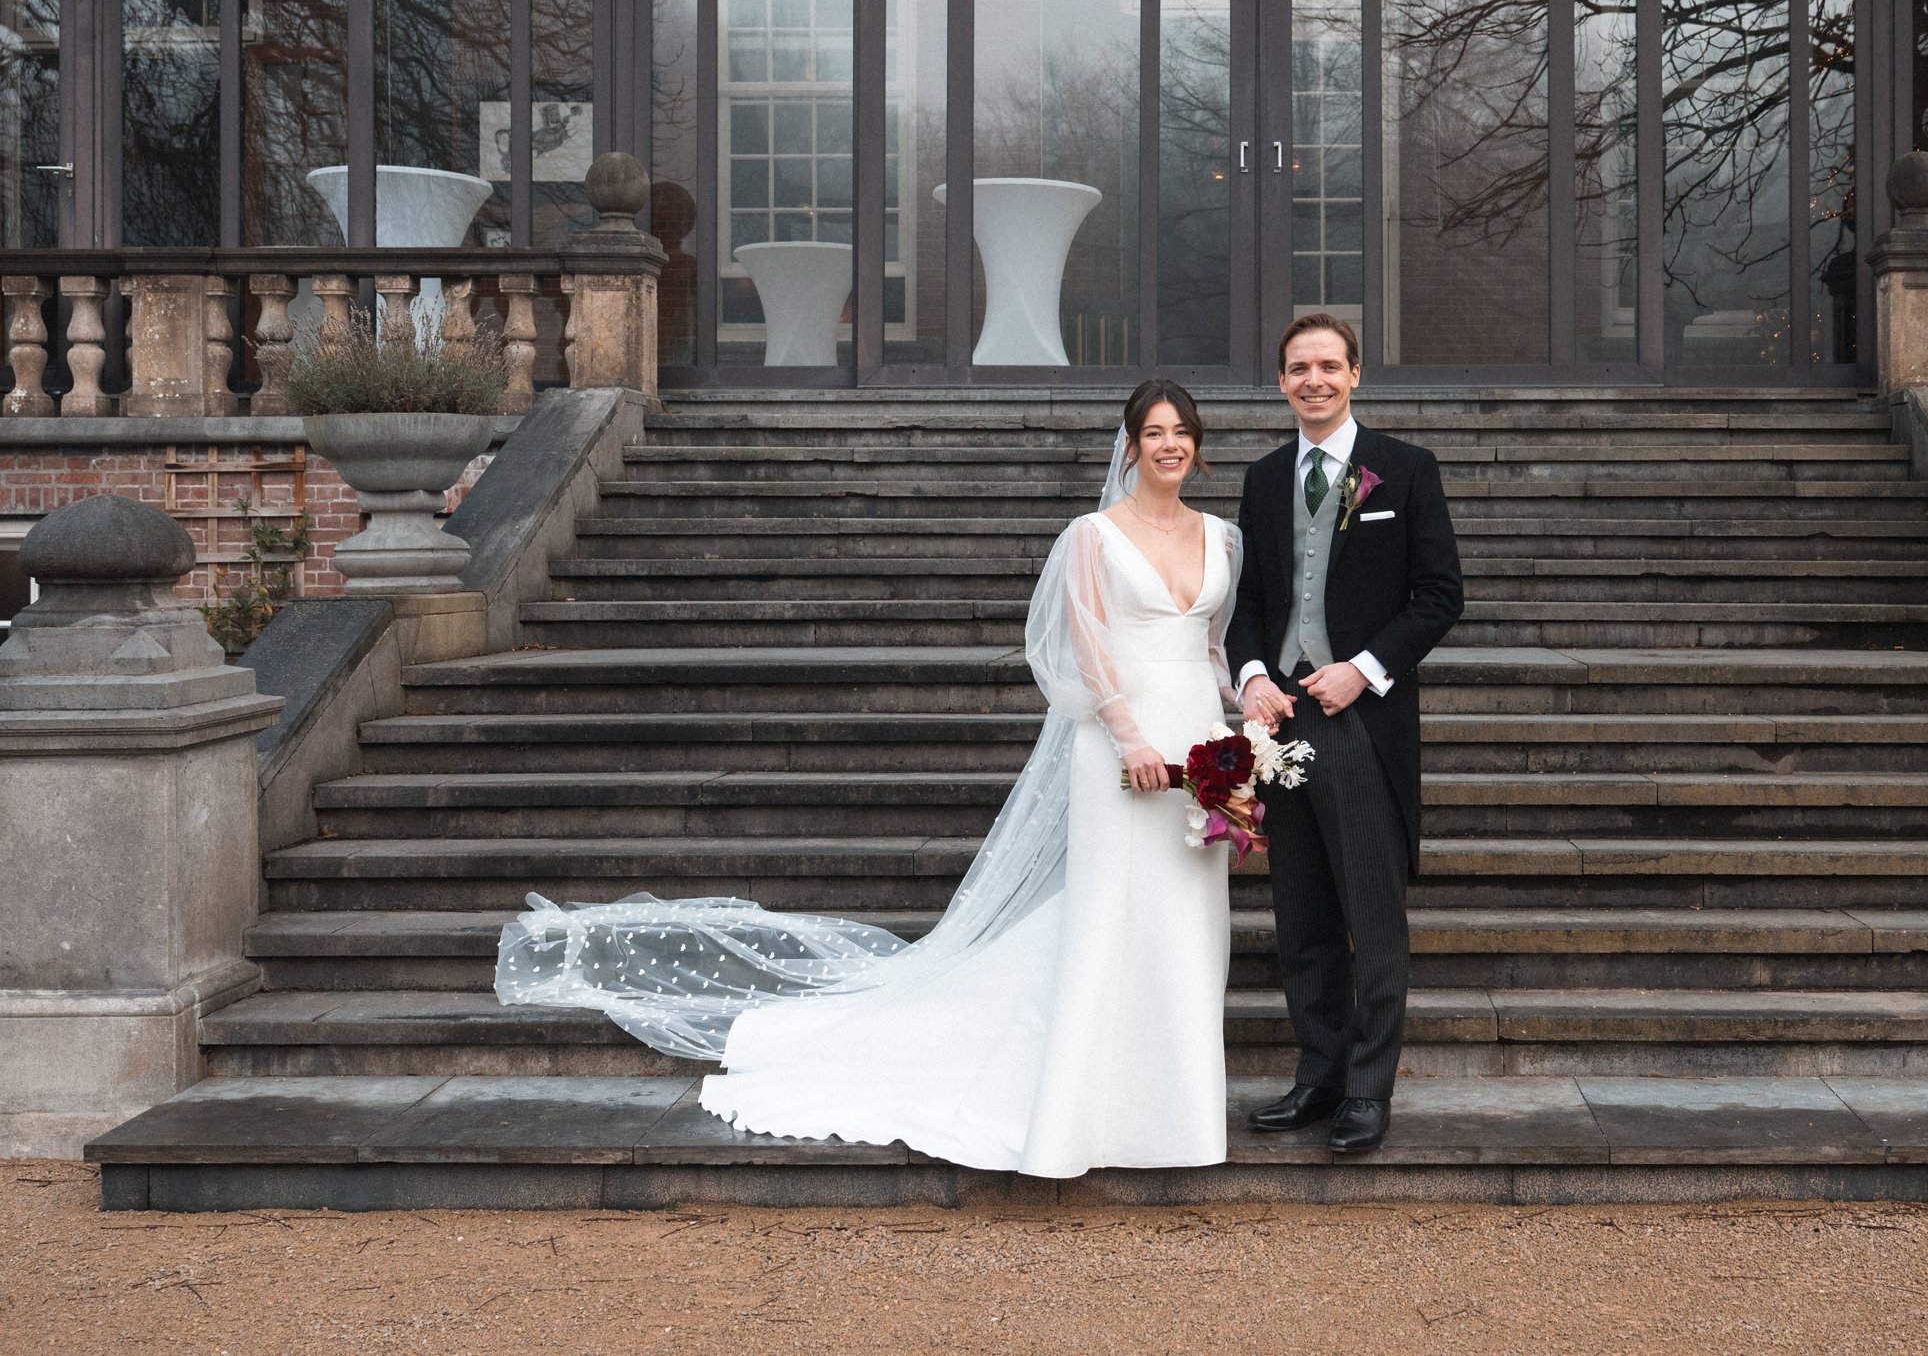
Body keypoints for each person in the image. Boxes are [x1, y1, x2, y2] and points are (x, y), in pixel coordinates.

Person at [496, 381, 1243, 1178]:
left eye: (1182, 432)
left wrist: (1243, 721)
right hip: (1121, 748)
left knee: (1187, 919)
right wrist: (1129, 737)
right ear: (1129, 445)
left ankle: (1174, 1111)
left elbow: (1211, 645)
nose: (1169, 444)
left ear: (1197, 445)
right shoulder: (1093, 536)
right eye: (1154, 432)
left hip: (1201, 744)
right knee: (1109, 914)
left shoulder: (1222, 538)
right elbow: (1084, 649)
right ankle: (1082, 1116)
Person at [1227, 312, 1465, 1154]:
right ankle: (1318, 1072)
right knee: (1302, 916)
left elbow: (1440, 594)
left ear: (1355, 373)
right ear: (1282, 380)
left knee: (1372, 912)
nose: (1313, 380)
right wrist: (1254, 674)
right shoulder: (1261, 479)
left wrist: (1362, 667)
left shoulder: (1405, 470)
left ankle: (1368, 1087)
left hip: (1361, 721)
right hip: (1281, 722)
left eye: (1328, 365)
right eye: (1298, 368)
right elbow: (1249, 599)